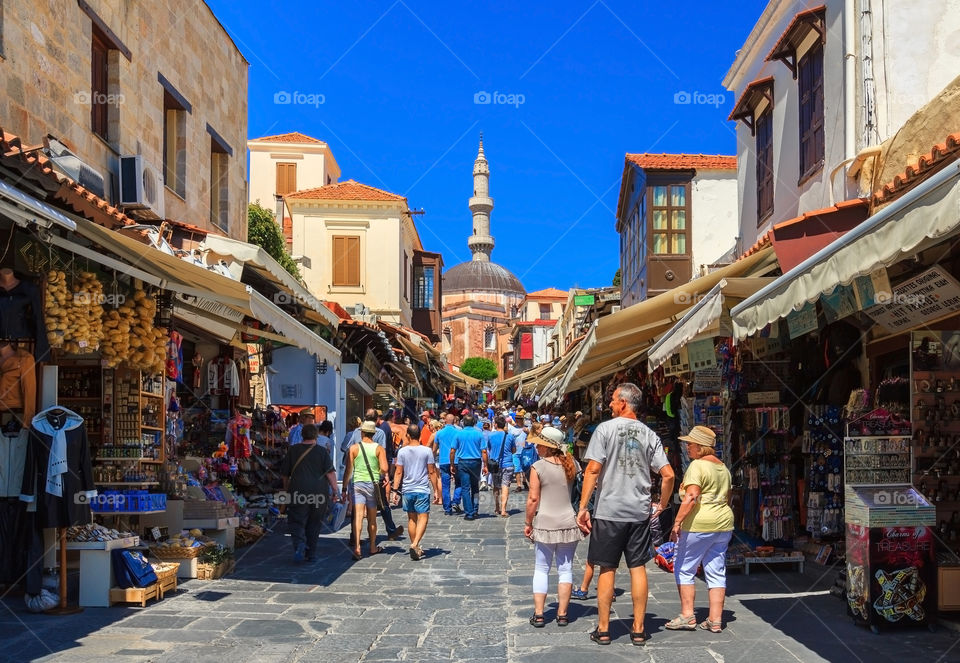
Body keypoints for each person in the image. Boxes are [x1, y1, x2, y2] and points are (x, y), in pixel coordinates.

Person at [576, 383, 676, 647]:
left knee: (607, 568)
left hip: (609, 510)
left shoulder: (605, 430)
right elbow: (668, 475)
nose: (609, 403)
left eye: (612, 399)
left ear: (623, 402)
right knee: (637, 568)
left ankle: (604, 628)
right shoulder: (649, 434)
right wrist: (661, 505)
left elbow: (593, 470)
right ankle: (640, 629)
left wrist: (583, 506)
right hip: (638, 512)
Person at [665, 426, 734, 634]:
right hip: (723, 524)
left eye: (690, 444)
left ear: (701, 447)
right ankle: (715, 619)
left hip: (699, 524)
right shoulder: (723, 467)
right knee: (716, 570)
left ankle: (687, 615)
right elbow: (728, 497)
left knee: (684, 568)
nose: (687, 447)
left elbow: (692, 496)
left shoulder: (697, 465)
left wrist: (677, 522)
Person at [524, 427, 584, 628]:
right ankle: (563, 614)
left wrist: (528, 522)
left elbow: (533, 499)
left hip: (545, 523)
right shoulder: (573, 464)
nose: (537, 446)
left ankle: (540, 614)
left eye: (540, 443)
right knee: (565, 569)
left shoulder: (538, 467)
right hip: (569, 522)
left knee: (541, 569)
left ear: (548, 446)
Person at [279, 424, 340, 562]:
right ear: (316, 436)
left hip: (297, 491)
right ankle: (310, 553)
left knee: (296, 521)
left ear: (302, 435)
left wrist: (286, 488)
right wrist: (335, 491)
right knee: (315, 523)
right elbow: (330, 473)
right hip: (319, 493)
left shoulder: (293, 450)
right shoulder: (322, 451)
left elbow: (284, 474)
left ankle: (300, 544)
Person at [342, 421, 392, 560]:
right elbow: (385, 468)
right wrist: (378, 471)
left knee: (358, 516)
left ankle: (357, 548)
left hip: (357, 484)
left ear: (362, 432)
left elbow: (348, 471)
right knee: (371, 518)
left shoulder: (353, 448)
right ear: (374, 433)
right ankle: (372, 547)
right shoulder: (379, 448)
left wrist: (344, 488)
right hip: (372, 484)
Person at [392, 423, 441, 560]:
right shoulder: (426, 451)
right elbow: (431, 472)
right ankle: (415, 544)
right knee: (423, 517)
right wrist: (436, 490)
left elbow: (398, 472)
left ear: (407, 435)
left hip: (407, 489)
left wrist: (395, 490)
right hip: (422, 489)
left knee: (411, 519)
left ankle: (416, 545)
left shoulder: (402, 451)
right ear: (420, 435)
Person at [450, 414, 484, 520]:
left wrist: (452, 464)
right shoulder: (479, 434)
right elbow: (484, 451)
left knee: (465, 488)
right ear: (474, 423)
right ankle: (475, 509)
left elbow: (452, 451)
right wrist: (486, 465)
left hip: (463, 462)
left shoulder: (459, 434)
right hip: (476, 462)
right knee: (475, 487)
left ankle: (469, 513)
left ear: (463, 423)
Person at [486, 415, 517, 516]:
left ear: (495, 424)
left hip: (495, 465)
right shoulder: (510, 436)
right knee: (505, 486)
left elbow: (489, 449)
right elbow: (514, 450)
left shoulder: (490, 436)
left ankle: (497, 507)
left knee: (496, 486)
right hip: (508, 464)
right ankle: (504, 510)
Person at [433, 414, 463, 515]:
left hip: (443, 461)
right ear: (454, 420)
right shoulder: (459, 432)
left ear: (445, 420)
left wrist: (432, 459)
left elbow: (434, 449)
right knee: (459, 482)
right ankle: (455, 500)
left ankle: (447, 508)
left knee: (445, 485)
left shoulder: (439, 433)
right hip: (456, 461)